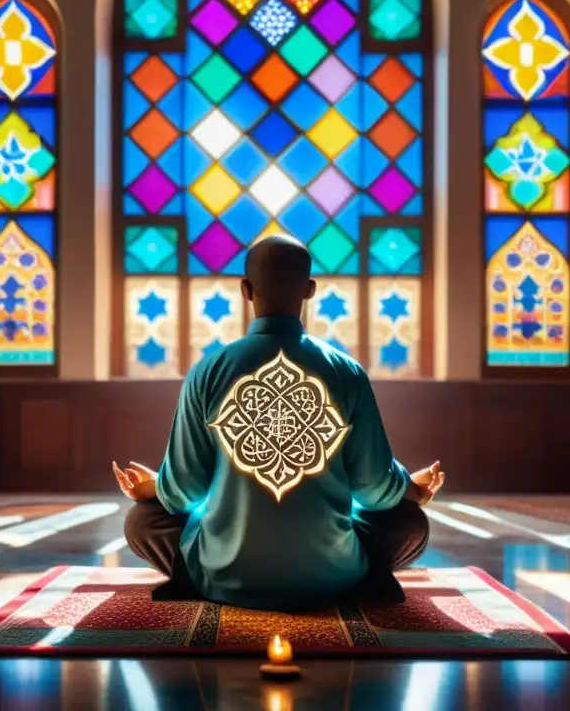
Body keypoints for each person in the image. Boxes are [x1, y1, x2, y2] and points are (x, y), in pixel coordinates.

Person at [115, 235, 444, 612]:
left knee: (142, 520)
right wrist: (410, 490)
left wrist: (155, 487)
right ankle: (355, 578)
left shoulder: (207, 370)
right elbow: (374, 490)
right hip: (335, 572)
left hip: (223, 571)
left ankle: (206, 576)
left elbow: (182, 494)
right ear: (310, 290)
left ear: (245, 290)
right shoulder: (347, 372)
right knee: (409, 521)